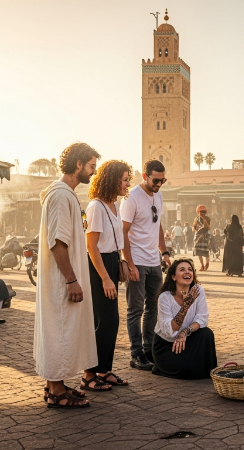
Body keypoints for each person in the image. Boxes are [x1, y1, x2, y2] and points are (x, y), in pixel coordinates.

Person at [34, 142, 100, 408]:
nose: (93, 172)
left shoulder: (65, 194)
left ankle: (56, 386)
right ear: (78, 165)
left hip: (64, 278)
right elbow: (57, 242)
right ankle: (57, 392)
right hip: (62, 281)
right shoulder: (61, 195)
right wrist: (71, 279)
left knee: (62, 330)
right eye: (91, 166)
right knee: (60, 331)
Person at [84, 160, 131, 390]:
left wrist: (123, 264)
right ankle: (88, 376)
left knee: (110, 322)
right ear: (112, 180)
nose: (127, 183)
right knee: (105, 321)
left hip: (112, 261)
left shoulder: (114, 204)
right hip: (98, 265)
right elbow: (91, 246)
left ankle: (104, 370)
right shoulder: (95, 207)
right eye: (124, 179)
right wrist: (105, 277)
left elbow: (115, 238)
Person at [121, 159, 172, 371]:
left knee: (153, 308)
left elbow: (158, 225)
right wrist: (130, 264)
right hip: (137, 263)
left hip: (153, 262)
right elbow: (123, 232)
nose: (159, 184)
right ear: (145, 176)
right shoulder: (131, 198)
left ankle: (149, 349)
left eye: (163, 180)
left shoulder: (158, 196)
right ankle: (136, 354)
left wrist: (164, 252)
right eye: (155, 180)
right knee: (135, 309)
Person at [152, 259, 217, 379]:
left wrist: (185, 332)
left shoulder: (198, 290)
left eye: (190, 269)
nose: (187, 272)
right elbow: (170, 330)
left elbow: (201, 319)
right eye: (182, 270)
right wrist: (186, 306)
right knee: (187, 371)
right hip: (166, 344)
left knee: (206, 333)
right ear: (173, 277)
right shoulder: (165, 297)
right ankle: (162, 366)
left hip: (186, 338)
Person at [193, 206, 211, 271]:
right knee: (198, 251)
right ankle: (202, 265)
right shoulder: (196, 219)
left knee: (206, 251)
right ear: (198, 212)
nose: (202, 213)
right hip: (198, 237)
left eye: (203, 212)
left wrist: (204, 220)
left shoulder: (207, 218)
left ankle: (207, 262)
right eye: (200, 212)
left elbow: (209, 228)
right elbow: (194, 226)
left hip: (205, 236)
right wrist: (195, 231)